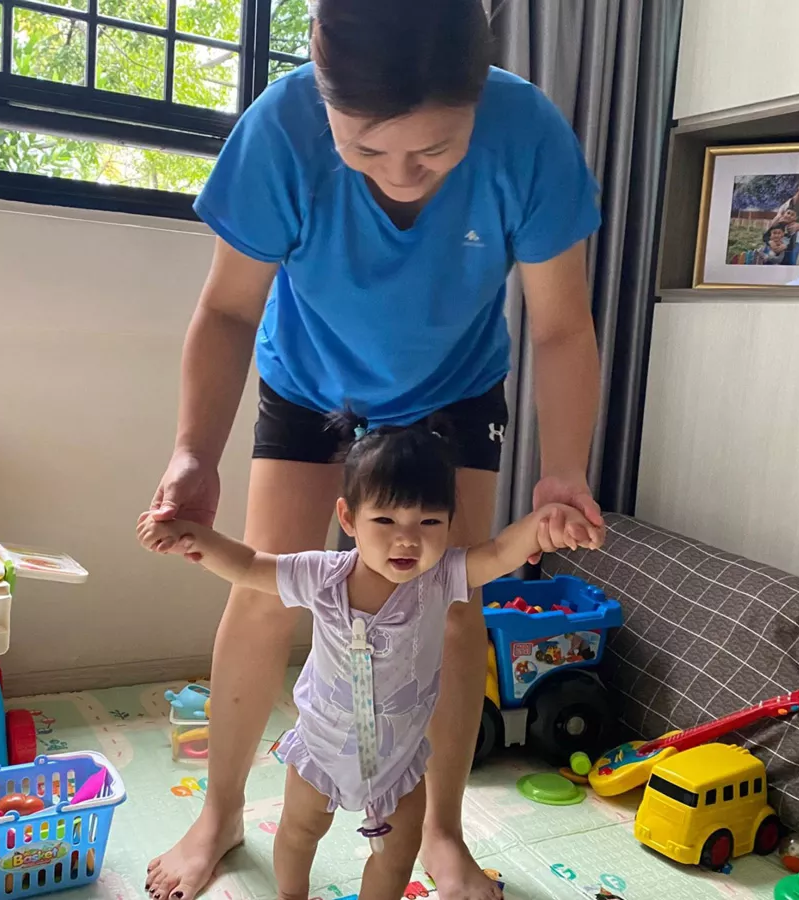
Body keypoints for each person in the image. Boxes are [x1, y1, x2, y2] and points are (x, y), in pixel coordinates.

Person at [141, 0, 606, 898]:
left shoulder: (528, 136)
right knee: (266, 590)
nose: (401, 174)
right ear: (324, 102)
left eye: (432, 151)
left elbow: (559, 325)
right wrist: (193, 452)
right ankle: (220, 812)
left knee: (458, 602)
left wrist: (565, 469)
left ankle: (440, 832)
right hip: (313, 382)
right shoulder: (281, 128)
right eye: (365, 149)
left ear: (478, 95)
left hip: (456, 388)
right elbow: (230, 309)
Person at [137, 420, 603, 900]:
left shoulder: (444, 577)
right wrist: (195, 538)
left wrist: (544, 525)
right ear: (348, 518)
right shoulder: (323, 575)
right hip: (321, 752)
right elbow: (251, 566)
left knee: (396, 855)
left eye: (428, 523)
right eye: (385, 522)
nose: (406, 540)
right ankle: (290, 895)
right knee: (297, 835)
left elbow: (504, 549)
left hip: (398, 763)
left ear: (448, 522)